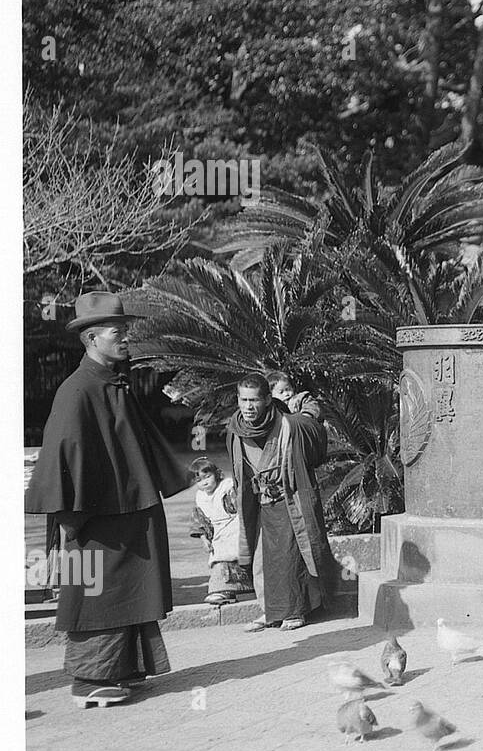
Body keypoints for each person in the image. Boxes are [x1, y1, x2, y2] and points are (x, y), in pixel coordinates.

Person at [25, 292, 190, 708]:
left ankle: (123, 669)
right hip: (94, 518)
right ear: (92, 338)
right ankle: (88, 679)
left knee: (131, 586)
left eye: (125, 331)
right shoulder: (76, 390)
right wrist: (67, 518)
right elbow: (63, 452)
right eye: (118, 332)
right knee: (95, 590)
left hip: (129, 511)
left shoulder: (115, 382)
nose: (126, 338)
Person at [226, 373, 339, 632]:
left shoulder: (289, 425)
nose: (248, 407)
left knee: (291, 556)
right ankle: (267, 612)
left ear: (267, 399)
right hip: (258, 502)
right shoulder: (235, 431)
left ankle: (295, 611)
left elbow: (314, 435)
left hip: (289, 498)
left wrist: (308, 416)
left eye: (254, 400)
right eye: (243, 400)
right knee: (261, 560)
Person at [189, 457, 253, 606]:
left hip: (234, 525)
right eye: (199, 480)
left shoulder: (226, 488)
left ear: (216, 474)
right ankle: (223, 590)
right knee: (218, 558)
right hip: (217, 532)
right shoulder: (201, 498)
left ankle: (241, 587)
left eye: (207, 477)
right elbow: (200, 520)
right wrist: (204, 539)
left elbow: (239, 505)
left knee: (238, 555)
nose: (204, 482)